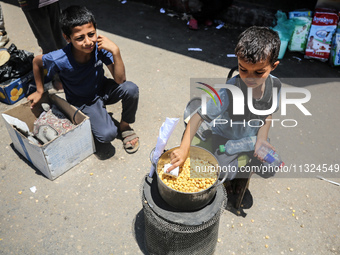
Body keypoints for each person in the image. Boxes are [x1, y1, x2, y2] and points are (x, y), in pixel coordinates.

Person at [168, 26, 281, 194]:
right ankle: (231, 180)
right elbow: (197, 116)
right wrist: (184, 148)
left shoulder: (275, 85)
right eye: (243, 69)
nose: (249, 78)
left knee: (272, 166)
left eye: (258, 72)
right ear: (238, 61)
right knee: (221, 173)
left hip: (253, 139)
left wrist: (262, 139)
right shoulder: (229, 92)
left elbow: (267, 113)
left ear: (273, 66)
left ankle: (245, 168)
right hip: (225, 139)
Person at [27, 5, 140, 154]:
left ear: (96, 29)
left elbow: (120, 80)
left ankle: (124, 126)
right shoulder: (59, 58)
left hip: (102, 89)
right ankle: (89, 118)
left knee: (131, 89)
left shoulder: (100, 48)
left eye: (91, 34)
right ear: (67, 38)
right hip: (83, 101)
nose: (88, 42)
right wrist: (40, 90)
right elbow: (37, 62)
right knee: (108, 135)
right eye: (80, 38)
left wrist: (115, 51)